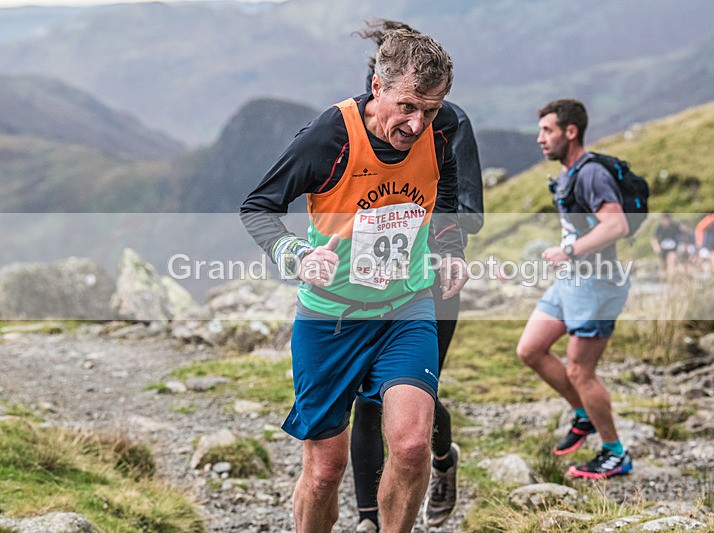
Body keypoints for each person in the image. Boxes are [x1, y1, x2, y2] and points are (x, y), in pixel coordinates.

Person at [240, 28, 467, 533]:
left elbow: (445, 185)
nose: (417, 123)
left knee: (410, 448)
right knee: (325, 472)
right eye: (407, 106)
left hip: (405, 308)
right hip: (332, 316)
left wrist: (448, 247)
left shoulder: (442, 128)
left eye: (429, 110)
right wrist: (295, 253)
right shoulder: (330, 137)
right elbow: (257, 208)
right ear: (377, 85)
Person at [349, 19, 484, 533]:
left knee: (413, 399)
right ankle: (367, 520)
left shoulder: (451, 123)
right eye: (381, 93)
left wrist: (411, 219)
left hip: (431, 281)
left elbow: (470, 213)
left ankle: (442, 458)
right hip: (366, 279)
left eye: (421, 107)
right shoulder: (359, 118)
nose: (407, 121)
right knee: (364, 393)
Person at [516, 98, 633, 479]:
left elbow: (616, 226)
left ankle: (615, 453)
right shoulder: (569, 172)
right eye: (540, 131)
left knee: (582, 371)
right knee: (531, 349)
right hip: (571, 281)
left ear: (571, 132)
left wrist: (569, 251)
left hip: (596, 283)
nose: (540, 139)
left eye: (547, 130)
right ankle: (583, 415)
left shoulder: (591, 173)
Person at [650, 213, 681, 278]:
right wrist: (656, 246)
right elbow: (654, 238)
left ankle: (671, 277)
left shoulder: (675, 227)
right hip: (663, 249)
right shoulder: (659, 227)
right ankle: (664, 279)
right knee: (663, 265)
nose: (666, 222)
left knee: (671, 260)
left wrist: (679, 248)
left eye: (667, 220)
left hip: (673, 249)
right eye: (664, 220)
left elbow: (680, 238)